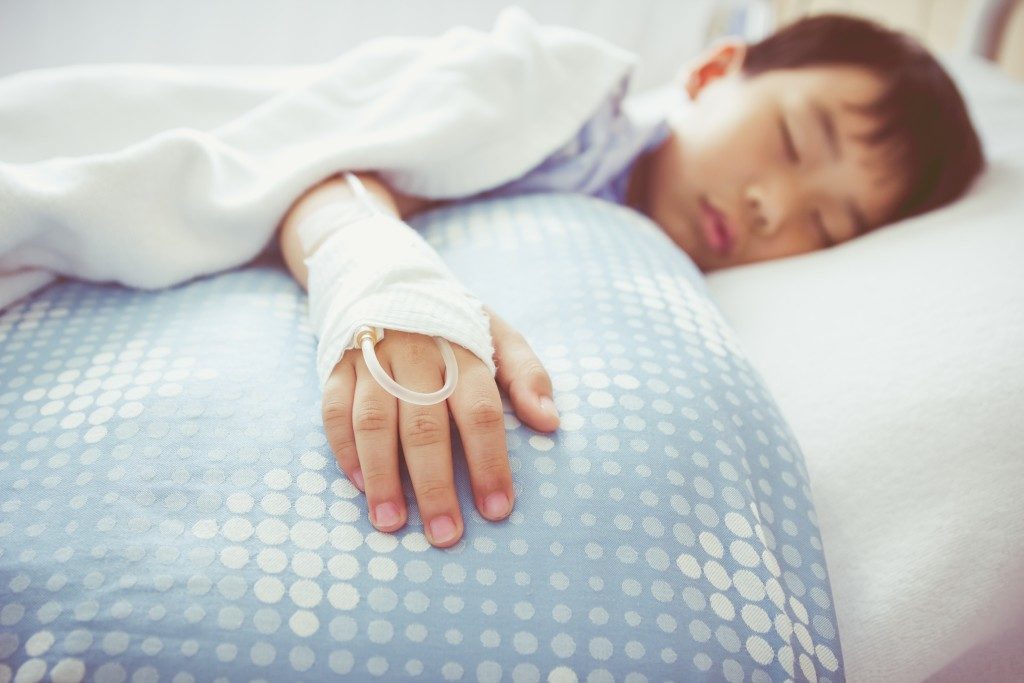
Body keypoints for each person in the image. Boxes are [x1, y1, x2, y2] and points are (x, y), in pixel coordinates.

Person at [276, 13, 985, 547]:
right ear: (713, 73)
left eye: (825, 224)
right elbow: (320, 168)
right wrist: (389, 284)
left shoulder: (673, 285)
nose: (774, 206)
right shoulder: (559, 103)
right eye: (791, 140)